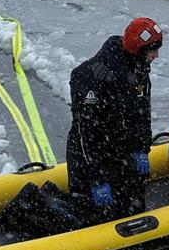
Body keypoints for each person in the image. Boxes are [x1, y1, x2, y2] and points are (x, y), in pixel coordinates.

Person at [66, 16, 163, 223]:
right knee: (97, 217)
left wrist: (142, 148)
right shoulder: (95, 76)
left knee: (133, 209)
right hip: (94, 157)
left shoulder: (139, 70)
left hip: (122, 151)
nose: (156, 56)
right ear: (138, 49)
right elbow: (87, 133)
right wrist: (97, 179)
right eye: (152, 50)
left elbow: (143, 112)